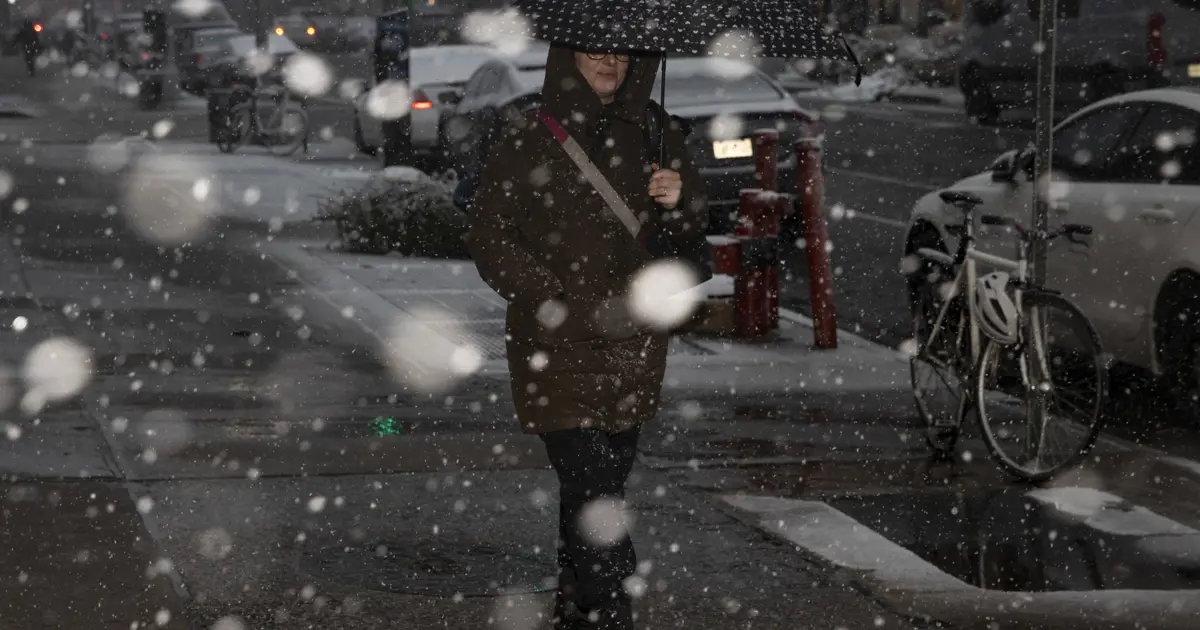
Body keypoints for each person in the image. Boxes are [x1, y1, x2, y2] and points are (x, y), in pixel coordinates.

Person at [468, 44, 708, 630]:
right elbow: (489, 233)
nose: (611, 63)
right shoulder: (530, 134)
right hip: (556, 342)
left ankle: (577, 593)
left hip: (634, 339)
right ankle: (610, 607)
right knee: (592, 479)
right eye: (596, 52)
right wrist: (549, 294)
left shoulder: (656, 131)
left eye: (623, 55)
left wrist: (678, 203)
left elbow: (691, 226)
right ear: (567, 57)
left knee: (600, 479)